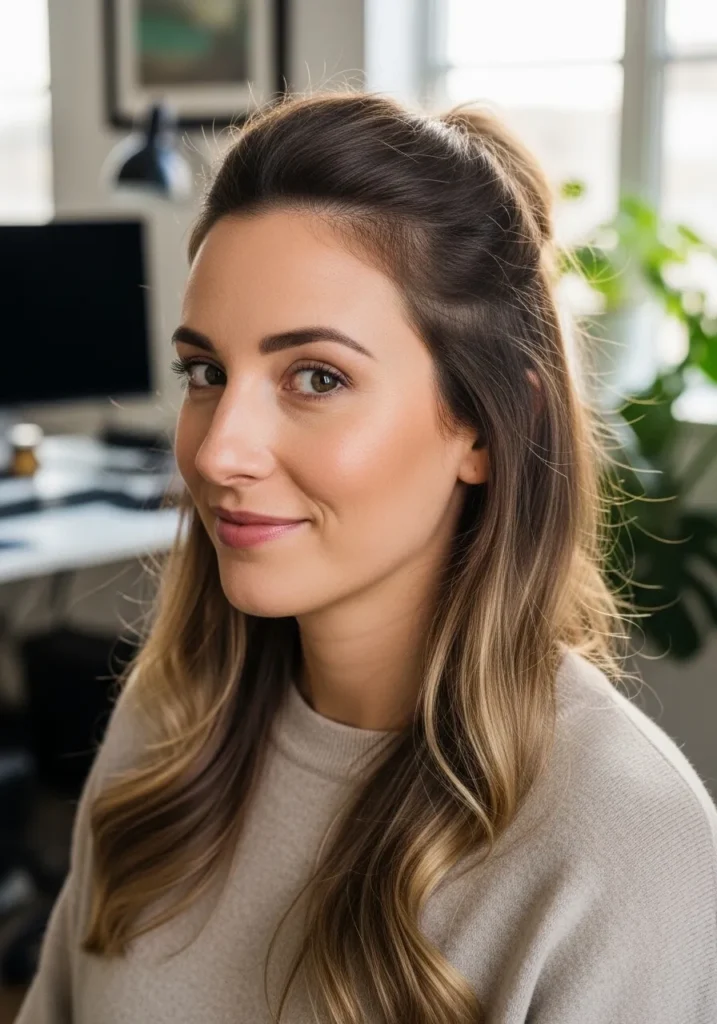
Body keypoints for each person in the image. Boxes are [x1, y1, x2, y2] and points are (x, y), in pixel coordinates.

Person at [16, 89, 717, 1024]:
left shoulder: (622, 840)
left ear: (484, 424)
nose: (219, 449)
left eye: (316, 377)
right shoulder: (172, 719)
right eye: (205, 373)